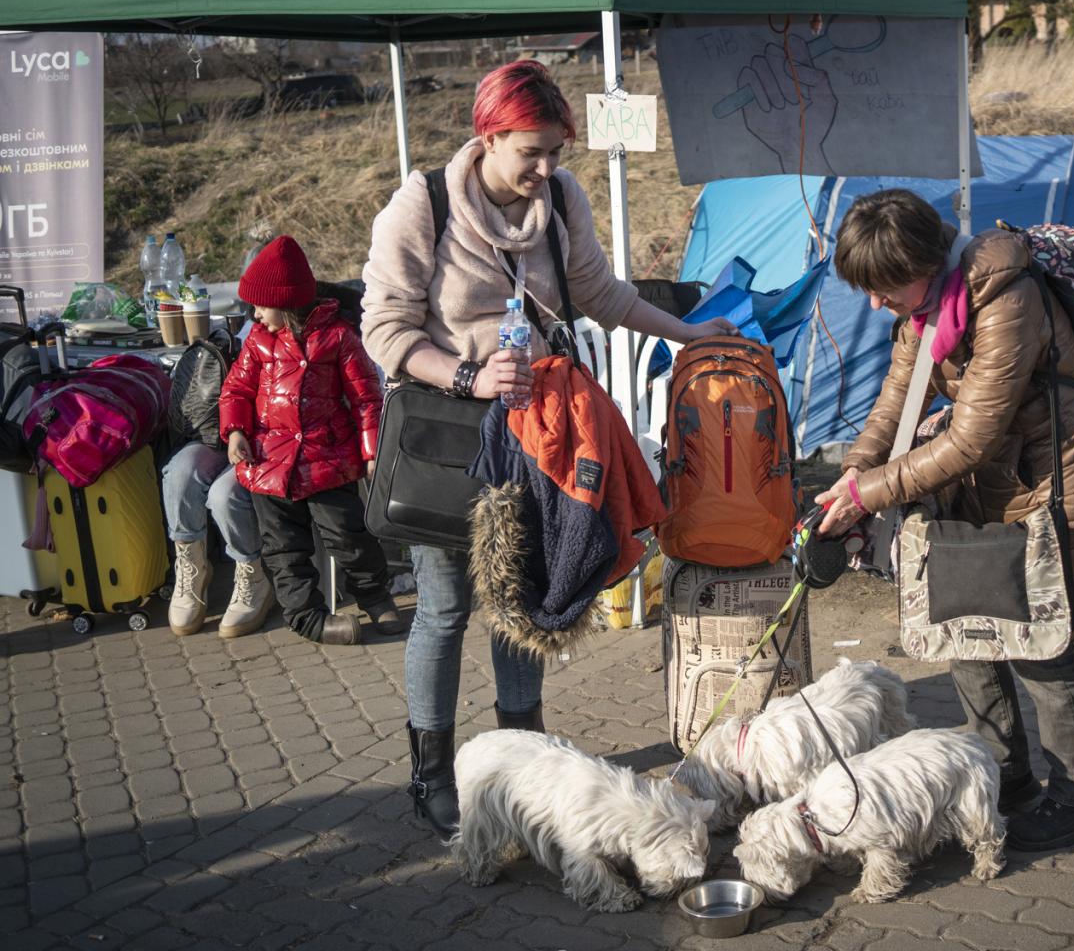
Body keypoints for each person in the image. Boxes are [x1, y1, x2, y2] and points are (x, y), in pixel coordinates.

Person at [361, 59, 736, 840]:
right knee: (445, 607)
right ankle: (431, 771)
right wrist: (466, 375)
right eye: (530, 152)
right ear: (487, 137)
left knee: (524, 606)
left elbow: (602, 294)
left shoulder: (561, 200)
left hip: (540, 440)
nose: (546, 169)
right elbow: (385, 330)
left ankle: (523, 765)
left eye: (556, 152)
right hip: (451, 441)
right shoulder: (421, 206)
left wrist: (689, 331)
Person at [814, 189, 1074, 853]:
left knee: (1039, 642)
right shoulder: (929, 306)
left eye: (883, 288)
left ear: (926, 262)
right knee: (961, 626)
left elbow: (973, 437)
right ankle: (1002, 775)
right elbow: (899, 398)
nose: (875, 304)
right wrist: (854, 471)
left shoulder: (1006, 297)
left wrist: (869, 493)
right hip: (985, 489)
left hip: (1051, 484)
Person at [220, 234, 401, 648]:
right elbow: (236, 391)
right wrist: (235, 432)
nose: (255, 315)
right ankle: (307, 617)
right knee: (284, 548)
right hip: (267, 462)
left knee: (351, 533)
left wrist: (371, 452)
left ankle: (374, 595)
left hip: (326, 457)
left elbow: (365, 399)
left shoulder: (337, 336)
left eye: (261, 306)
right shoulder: (257, 340)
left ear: (286, 303)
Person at [162, 442, 274, 639]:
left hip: (257, 441)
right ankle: (192, 568)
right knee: (180, 475)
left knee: (224, 496)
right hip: (209, 435)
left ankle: (253, 577)